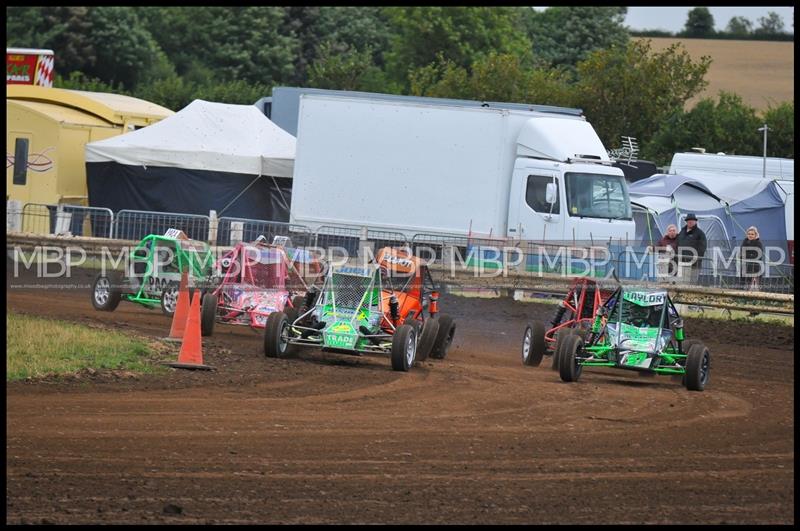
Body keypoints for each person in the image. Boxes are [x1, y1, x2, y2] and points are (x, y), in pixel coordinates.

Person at [676, 213, 707, 283]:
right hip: (682, 263)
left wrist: (695, 259)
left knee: (691, 283)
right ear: (686, 221)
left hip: (694, 264)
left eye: (692, 220)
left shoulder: (700, 233)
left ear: (695, 221)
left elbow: (702, 248)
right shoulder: (682, 231)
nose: (690, 221)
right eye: (688, 220)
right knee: (681, 283)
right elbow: (677, 243)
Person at [739, 226, 764, 290]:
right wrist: (749, 255)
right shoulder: (745, 241)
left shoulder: (758, 243)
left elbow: (757, 255)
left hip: (755, 267)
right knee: (744, 284)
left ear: (756, 235)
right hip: (745, 266)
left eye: (752, 234)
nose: (750, 235)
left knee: (754, 286)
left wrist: (747, 255)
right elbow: (741, 254)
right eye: (749, 234)